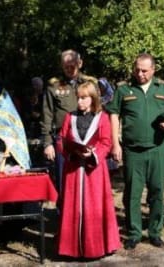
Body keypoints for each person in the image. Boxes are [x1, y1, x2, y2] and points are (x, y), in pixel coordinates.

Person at [105, 53, 164, 249]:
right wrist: (115, 143)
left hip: (157, 148)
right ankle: (134, 233)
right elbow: (114, 115)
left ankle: (155, 232)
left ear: (153, 70)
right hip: (132, 150)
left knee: (157, 191)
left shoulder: (163, 89)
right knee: (132, 193)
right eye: (137, 69)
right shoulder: (123, 89)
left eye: (144, 70)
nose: (140, 74)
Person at [56, 81, 121, 258]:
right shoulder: (70, 117)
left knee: (95, 207)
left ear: (93, 99)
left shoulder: (102, 117)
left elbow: (106, 141)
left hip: (94, 171)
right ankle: (71, 248)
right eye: (78, 98)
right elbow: (61, 139)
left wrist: (93, 153)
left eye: (84, 98)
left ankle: (96, 247)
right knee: (72, 207)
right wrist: (72, 151)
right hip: (74, 169)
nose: (80, 102)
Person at [41, 49, 97, 194]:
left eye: (72, 66)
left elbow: (98, 111)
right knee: (63, 181)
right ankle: (63, 214)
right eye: (66, 66)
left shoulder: (90, 84)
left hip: (87, 140)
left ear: (80, 63)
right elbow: (47, 115)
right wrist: (47, 143)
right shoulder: (54, 86)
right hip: (64, 141)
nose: (69, 69)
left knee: (87, 181)